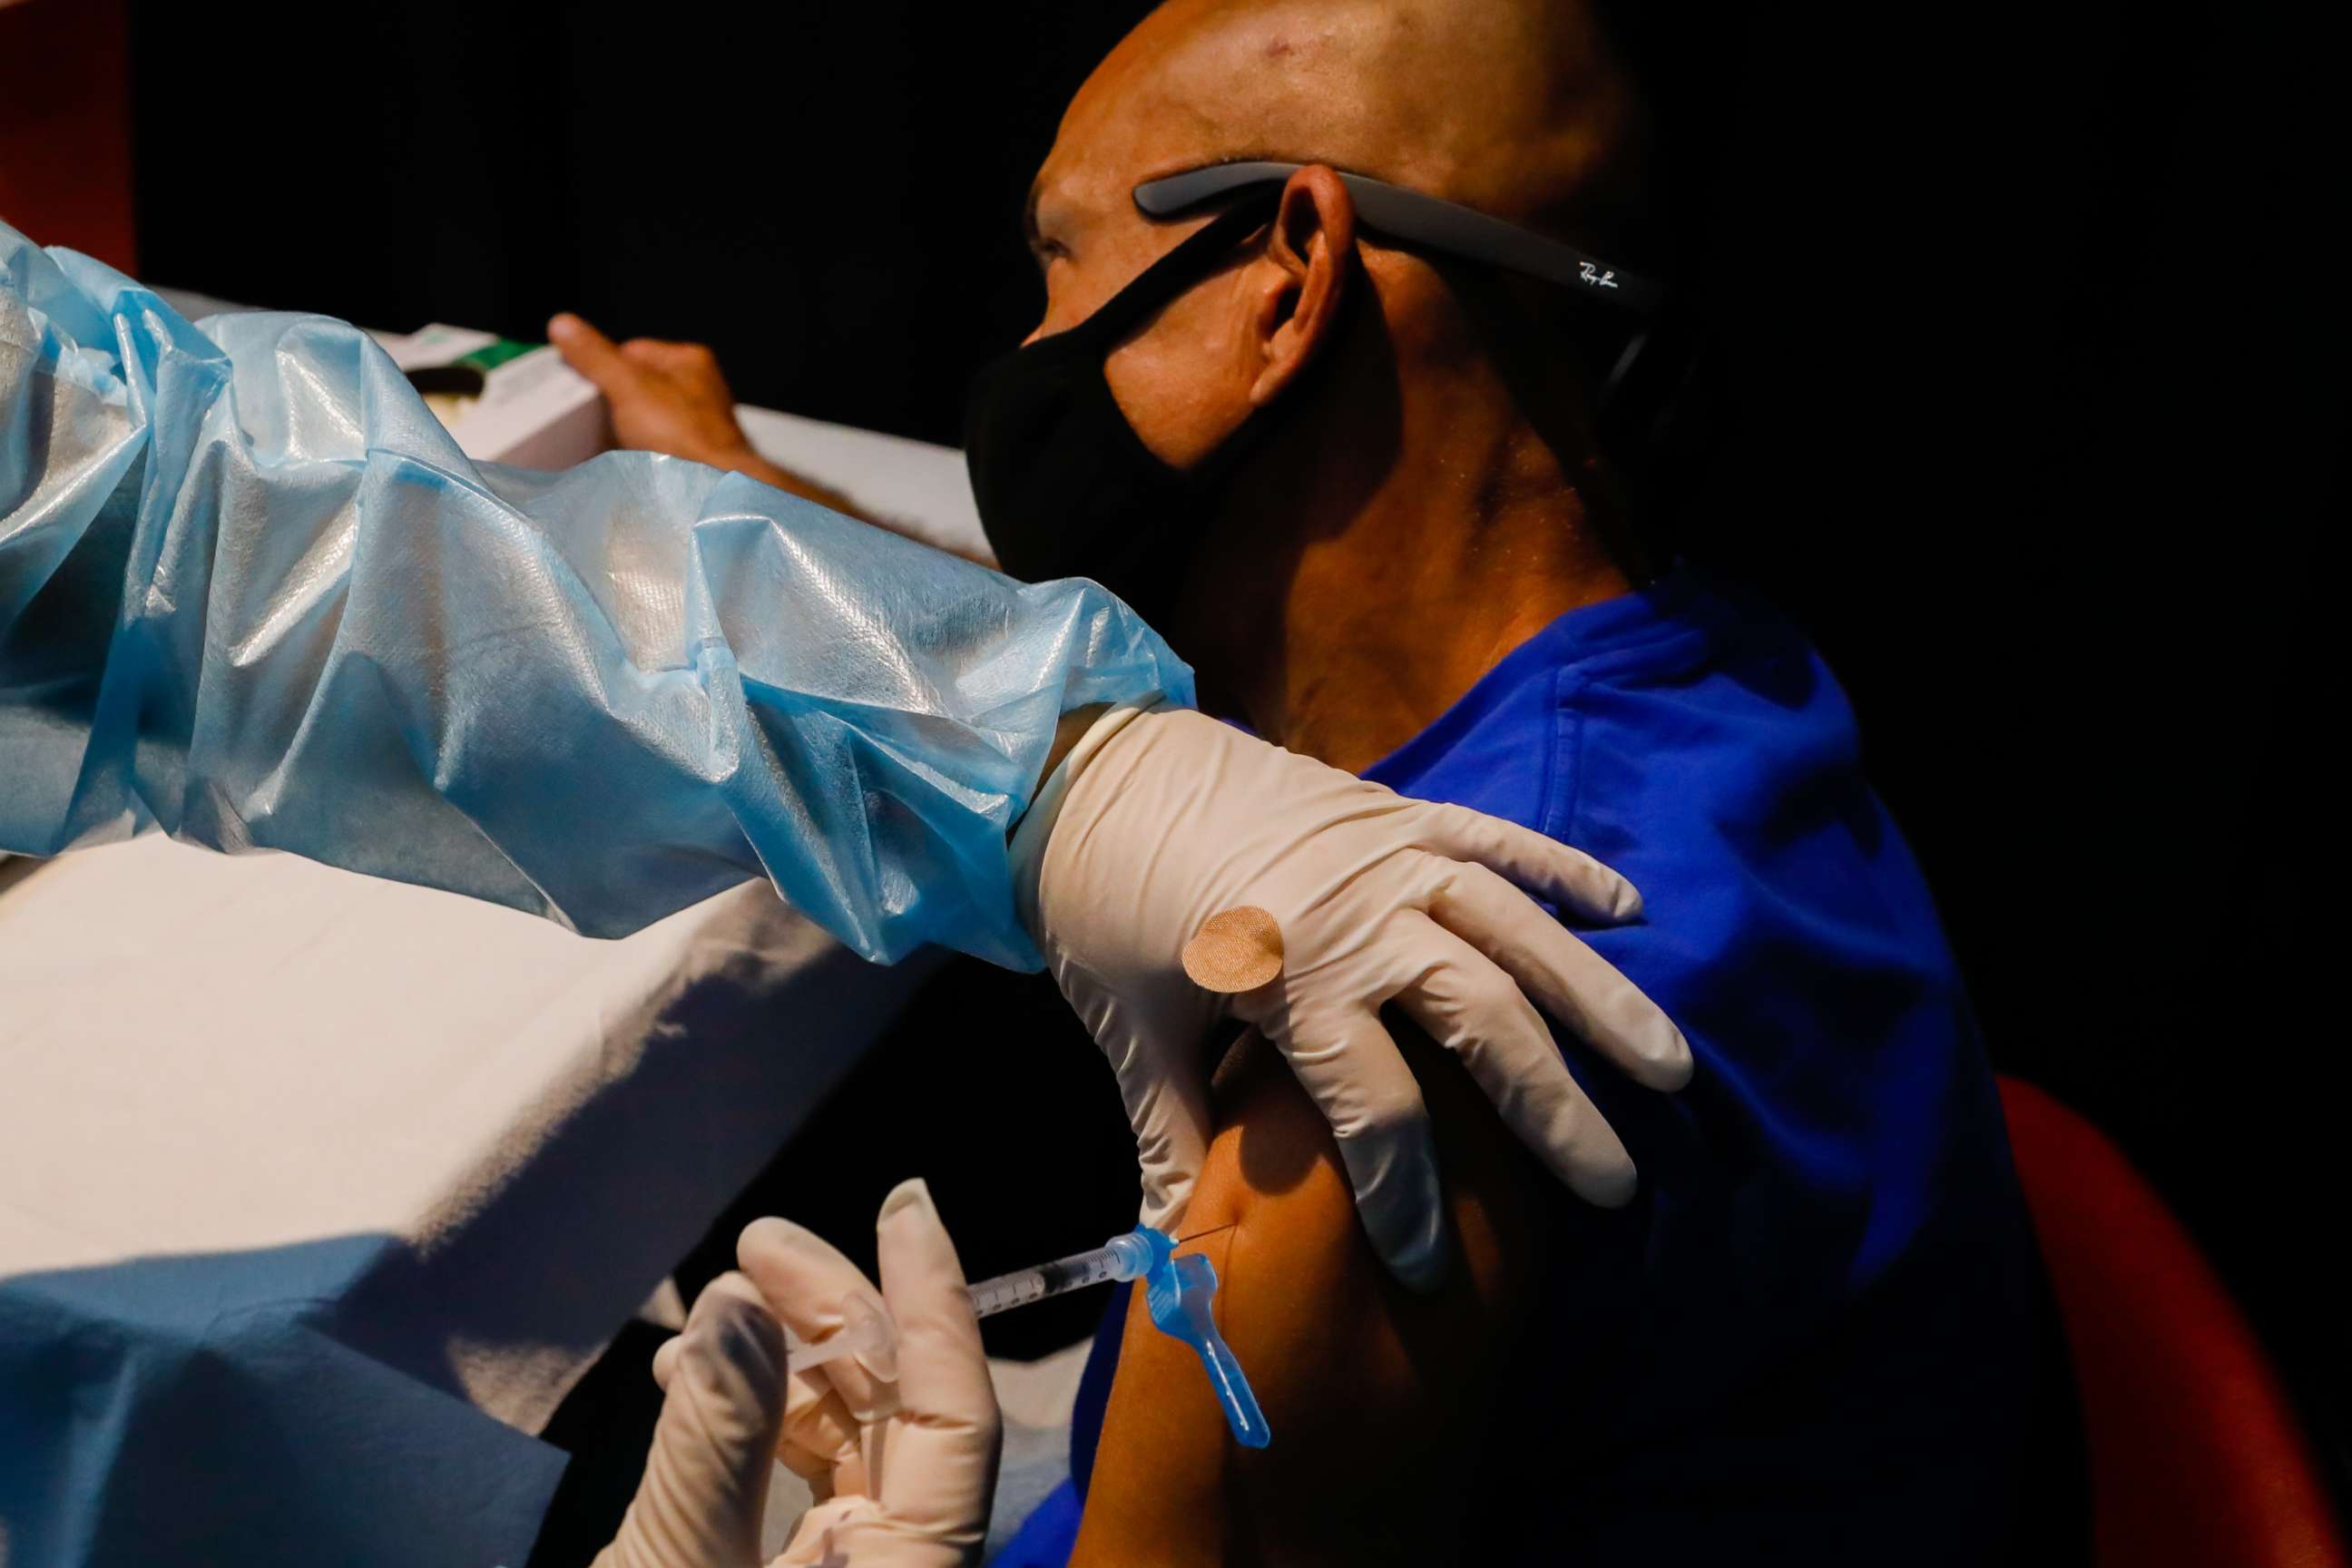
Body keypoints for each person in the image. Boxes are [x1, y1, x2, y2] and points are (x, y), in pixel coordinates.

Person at [558, 0, 2082, 1562]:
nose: (1032, 353)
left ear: (1284, 281)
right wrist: (752, 503)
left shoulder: (1396, 1023)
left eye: (1061, 265)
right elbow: (1051, 678)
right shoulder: (1690, 675)